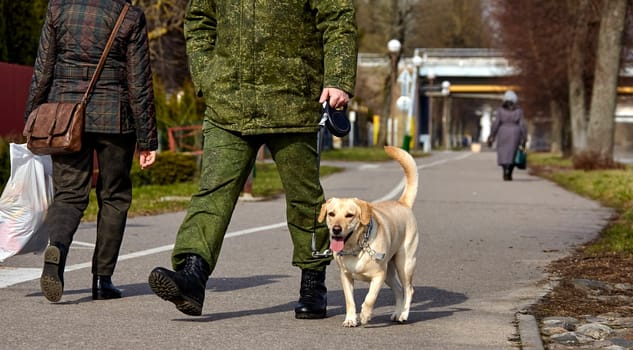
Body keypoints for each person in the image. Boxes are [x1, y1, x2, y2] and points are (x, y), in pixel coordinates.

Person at [148, 1, 357, 318]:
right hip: (228, 103)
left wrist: (339, 79)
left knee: (304, 200)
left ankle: (313, 284)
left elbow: (338, 16)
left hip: (293, 101)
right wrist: (208, 76)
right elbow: (198, 18)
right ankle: (192, 275)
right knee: (213, 192)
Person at [24, 0, 157, 302]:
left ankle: (57, 247)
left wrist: (32, 119)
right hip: (115, 120)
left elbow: (43, 67)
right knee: (114, 196)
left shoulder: (59, 8)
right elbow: (140, 83)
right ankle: (103, 278)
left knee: (69, 194)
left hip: (65, 115)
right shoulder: (129, 14)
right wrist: (148, 140)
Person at [487, 90, 527, 181]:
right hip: (515, 133)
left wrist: (492, 135)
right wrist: (524, 136)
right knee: (512, 153)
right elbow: (522, 124)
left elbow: (496, 123)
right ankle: (510, 172)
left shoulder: (500, 110)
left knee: (503, 153)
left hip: (503, 132)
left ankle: (505, 170)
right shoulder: (519, 111)